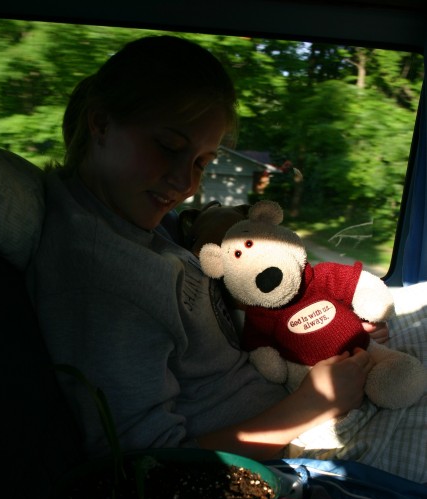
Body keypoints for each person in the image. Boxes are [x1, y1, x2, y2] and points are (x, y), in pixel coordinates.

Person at [27, 34, 412, 470]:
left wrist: (321, 323)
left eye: (201, 162)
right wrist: (314, 403)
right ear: (100, 123)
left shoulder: (131, 220)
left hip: (290, 391)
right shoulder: (101, 277)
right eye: (168, 147)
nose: (185, 183)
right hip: (278, 452)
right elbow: (149, 467)